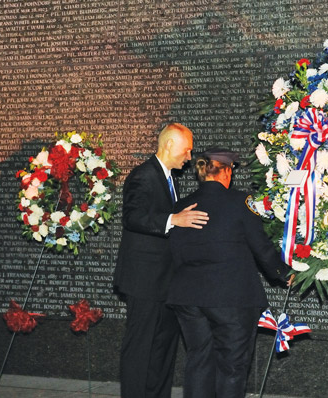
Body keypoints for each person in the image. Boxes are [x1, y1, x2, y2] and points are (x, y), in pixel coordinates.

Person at [166, 148, 291, 398]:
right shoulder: (241, 203)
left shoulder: (180, 206)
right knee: (232, 366)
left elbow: (175, 251)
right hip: (231, 298)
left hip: (188, 297)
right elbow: (261, 247)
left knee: (199, 362)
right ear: (226, 171)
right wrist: (282, 272)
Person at [113, 123, 209, 398]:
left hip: (167, 281)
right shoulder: (143, 175)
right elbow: (133, 217)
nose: (189, 158)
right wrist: (173, 219)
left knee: (163, 349)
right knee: (141, 349)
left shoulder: (170, 179)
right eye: (187, 150)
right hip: (144, 282)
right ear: (169, 145)